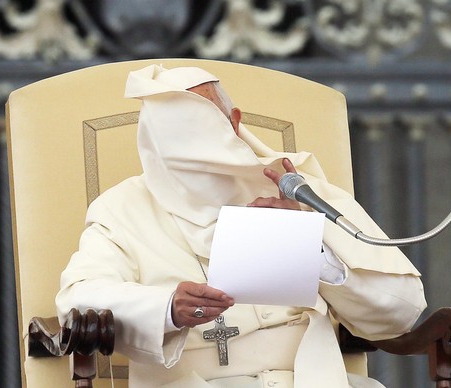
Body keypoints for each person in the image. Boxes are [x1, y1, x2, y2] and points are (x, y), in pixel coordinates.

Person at [56, 64, 427, 388]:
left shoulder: (299, 191)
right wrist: (167, 307)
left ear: (234, 121)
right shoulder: (123, 208)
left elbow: (400, 312)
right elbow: (77, 299)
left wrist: (310, 247)